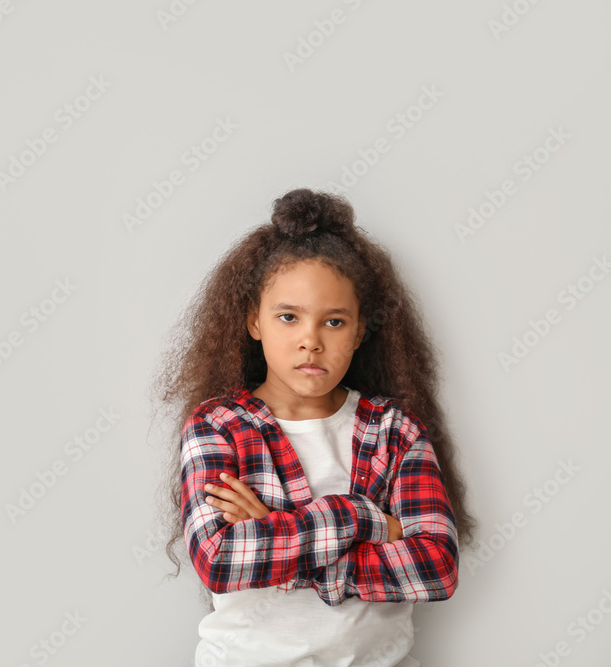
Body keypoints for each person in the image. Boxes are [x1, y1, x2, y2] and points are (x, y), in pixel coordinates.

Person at [151, 188, 477, 666]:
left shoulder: (396, 430)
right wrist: (361, 519)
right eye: (288, 317)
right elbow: (220, 561)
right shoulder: (216, 427)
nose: (310, 341)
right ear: (254, 322)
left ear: (360, 330)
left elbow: (435, 568)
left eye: (334, 322)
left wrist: (271, 535)